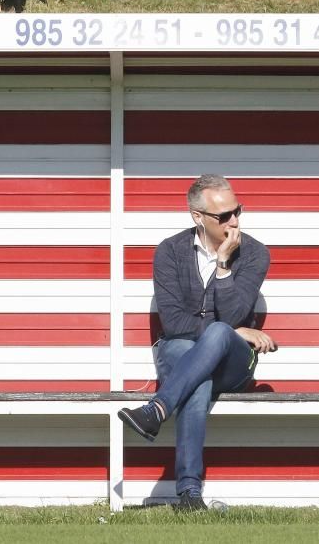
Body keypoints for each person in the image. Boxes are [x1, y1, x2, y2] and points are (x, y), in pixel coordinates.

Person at [118, 174, 277, 510]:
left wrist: (222, 264)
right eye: (224, 217)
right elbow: (173, 324)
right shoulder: (169, 252)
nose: (234, 221)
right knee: (198, 377)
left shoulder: (254, 254)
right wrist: (231, 329)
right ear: (197, 217)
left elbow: (232, 316)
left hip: (234, 363)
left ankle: (156, 410)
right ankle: (190, 494)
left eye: (238, 211)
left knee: (220, 333)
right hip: (179, 351)